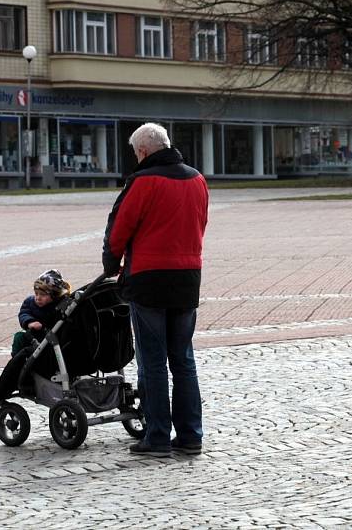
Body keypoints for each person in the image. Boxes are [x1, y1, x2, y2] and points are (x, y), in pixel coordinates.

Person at [102, 123, 209, 457]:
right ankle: (191, 435)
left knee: (152, 361)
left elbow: (120, 227)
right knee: (183, 361)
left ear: (144, 151)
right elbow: (200, 223)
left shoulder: (142, 182)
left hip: (148, 280)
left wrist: (111, 262)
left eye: (136, 153)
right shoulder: (197, 179)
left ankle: (158, 436)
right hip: (187, 277)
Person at [11, 269, 71, 358]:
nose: (38, 298)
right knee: (19, 337)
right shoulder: (30, 302)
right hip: (34, 335)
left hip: (53, 338)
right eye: (36, 293)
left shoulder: (59, 305)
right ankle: (17, 360)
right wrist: (30, 322)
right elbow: (24, 313)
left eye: (42, 295)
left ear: (54, 295)